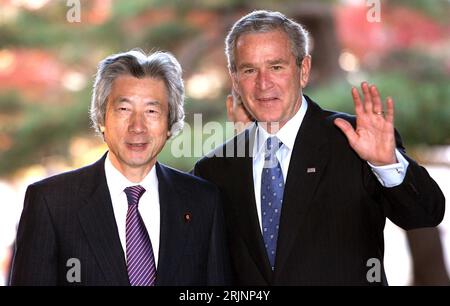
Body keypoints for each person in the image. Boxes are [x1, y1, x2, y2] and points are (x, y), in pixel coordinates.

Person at [193, 10, 445, 285]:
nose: (263, 83)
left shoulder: (356, 141)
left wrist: (386, 164)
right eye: (249, 70)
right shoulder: (214, 170)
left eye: (276, 67)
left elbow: (425, 214)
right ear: (235, 79)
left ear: (304, 70)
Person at [10, 49, 230, 286]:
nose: (137, 126)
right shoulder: (51, 202)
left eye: (152, 111)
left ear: (170, 123)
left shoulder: (202, 201)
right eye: (124, 109)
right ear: (102, 118)